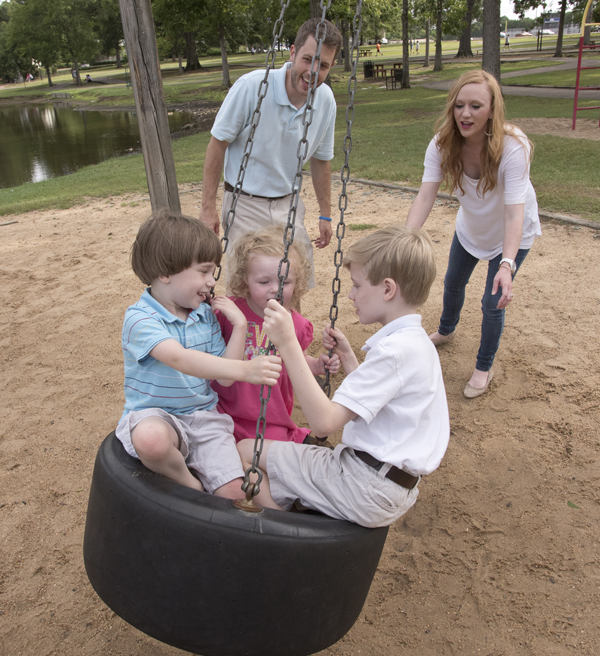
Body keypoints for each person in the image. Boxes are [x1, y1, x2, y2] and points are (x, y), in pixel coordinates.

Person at [237, 226, 450, 528]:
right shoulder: (417, 344)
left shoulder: (394, 352)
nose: (350, 294)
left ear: (388, 289)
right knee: (281, 458)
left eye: (357, 285)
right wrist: (350, 359)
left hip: (360, 484)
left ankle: (283, 532)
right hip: (392, 486)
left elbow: (324, 422)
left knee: (245, 450)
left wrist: (287, 343)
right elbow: (382, 403)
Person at [115, 210, 282, 499]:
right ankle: (189, 483)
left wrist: (240, 325)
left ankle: (208, 485)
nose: (211, 281)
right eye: (204, 271)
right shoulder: (140, 318)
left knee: (236, 494)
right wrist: (247, 370)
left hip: (205, 419)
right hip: (158, 417)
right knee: (150, 439)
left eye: (213, 272)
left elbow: (224, 378)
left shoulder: (204, 316)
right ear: (165, 272)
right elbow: (179, 358)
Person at [406, 69, 541, 398]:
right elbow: (426, 195)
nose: (466, 114)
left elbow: (513, 211)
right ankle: (446, 330)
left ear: (493, 109)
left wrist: (507, 264)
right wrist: (404, 238)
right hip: (472, 229)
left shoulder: (513, 146)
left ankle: (484, 365)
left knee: (492, 302)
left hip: (512, 234)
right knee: (453, 282)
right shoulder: (442, 144)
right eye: (459, 105)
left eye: (476, 106)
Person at [200, 18, 342, 288]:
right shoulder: (252, 87)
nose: (312, 71)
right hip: (244, 202)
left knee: (294, 281)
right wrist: (208, 209)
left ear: (331, 66)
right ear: (292, 53)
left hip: (288, 204)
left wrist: (325, 214)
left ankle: (290, 332)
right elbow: (217, 144)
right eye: (307, 59)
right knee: (244, 284)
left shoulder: (325, 100)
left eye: (322, 65)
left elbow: (321, 159)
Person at [212, 227, 339, 444]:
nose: (275, 290)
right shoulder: (229, 313)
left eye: (285, 282)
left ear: (297, 282)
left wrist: (317, 365)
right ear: (245, 280)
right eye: (264, 282)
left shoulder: (296, 325)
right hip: (223, 414)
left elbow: (297, 361)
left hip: (270, 420)